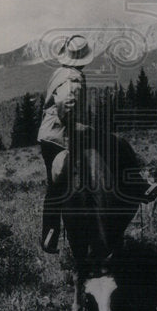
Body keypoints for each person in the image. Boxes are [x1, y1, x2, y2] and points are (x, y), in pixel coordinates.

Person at [37, 34, 92, 253]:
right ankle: (72, 233)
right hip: (60, 134)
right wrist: (73, 126)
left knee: (55, 184)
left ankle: (50, 234)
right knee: (64, 183)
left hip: (48, 133)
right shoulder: (74, 77)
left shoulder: (59, 72)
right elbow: (65, 102)